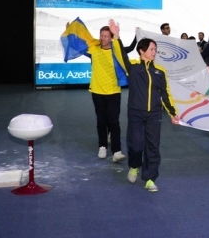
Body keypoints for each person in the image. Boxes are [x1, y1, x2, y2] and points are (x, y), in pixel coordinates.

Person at [111, 23, 179, 193]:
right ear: (142, 51)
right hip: (136, 113)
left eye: (155, 49)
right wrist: (116, 37)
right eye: (151, 49)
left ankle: (149, 178)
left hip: (154, 114)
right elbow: (120, 56)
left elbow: (165, 94)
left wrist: (172, 113)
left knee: (152, 147)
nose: (154, 52)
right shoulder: (133, 68)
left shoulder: (160, 71)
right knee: (135, 144)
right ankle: (134, 166)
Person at [62, 20, 128, 163]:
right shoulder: (94, 50)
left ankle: (117, 151)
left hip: (113, 92)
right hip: (97, 92)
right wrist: (70, 33)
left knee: (114, 122)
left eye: (106, 36)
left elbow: (122, 52)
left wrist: (118, 35)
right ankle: (102, 146)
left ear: (111, 38)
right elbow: (77, 46)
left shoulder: (116, 52)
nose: (103, 38)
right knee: (101, 121)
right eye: (101, 36)